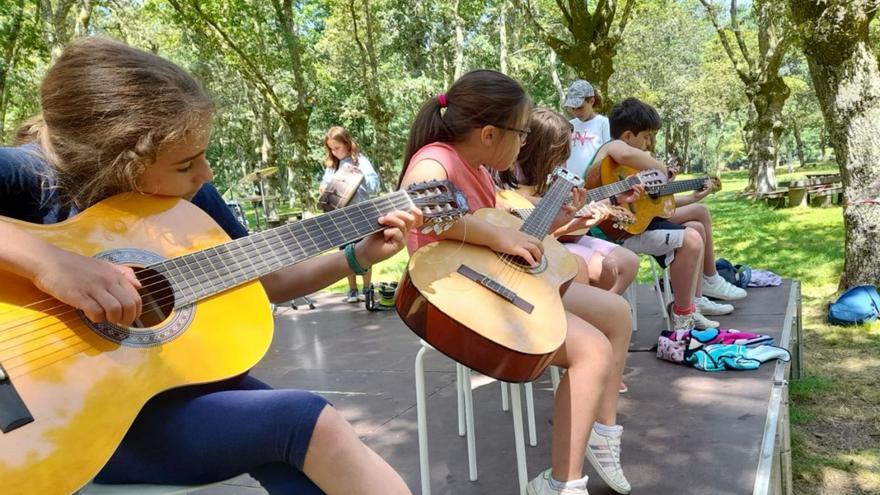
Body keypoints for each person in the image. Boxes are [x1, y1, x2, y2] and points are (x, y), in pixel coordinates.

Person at [0, 36, 420, 495]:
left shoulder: (183, 189)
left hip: (157, 391)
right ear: (117, 164)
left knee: (311, 449)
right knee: (304, 422)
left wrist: (356, 257)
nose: (206, 175)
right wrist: (50, 263)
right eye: (186, 165)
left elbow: (270, 282)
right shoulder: (29, 173)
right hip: (59, 422)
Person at [399, 70, 632, 495]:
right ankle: (562, 484)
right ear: (489, 134)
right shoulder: (437, 158)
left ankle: (602, 430)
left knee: (616, 312)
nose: (525, 143)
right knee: (592, 351)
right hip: (462, 301)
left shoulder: (482, 169)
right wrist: (499, 234)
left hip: (496, 285)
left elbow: (501, 227)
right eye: (521, 134)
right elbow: (420, 201)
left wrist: (556, 222)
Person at [588, 98, 744, 333]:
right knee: (691, 237)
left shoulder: (631, 167)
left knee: (697, 224)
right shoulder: (612, 149)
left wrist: (692, 198)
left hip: (637, 225)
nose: (650, 144)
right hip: (615, 232)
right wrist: (658, 167)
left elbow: (653, 206)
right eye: (647, 136)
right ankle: (684, 318)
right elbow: (628, 156)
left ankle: (691, 303)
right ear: (628, 136)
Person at [319, 126, 382, 303]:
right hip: (341, 217)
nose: (334, 152)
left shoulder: (360, 161)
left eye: (337, 147)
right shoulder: (333, 165)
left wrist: (357, 179)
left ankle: (367, 288)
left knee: (365, 252)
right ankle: (352, 290)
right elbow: (324, 184)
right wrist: (324, 188)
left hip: (361, 215)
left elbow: (374, 186)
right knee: (346, 253)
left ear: (347, 144)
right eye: (331, 148)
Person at [564, 80, 610, 180]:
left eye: (580, 107)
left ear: (591, 101)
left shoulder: (604, 123)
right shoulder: (570, 125)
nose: (576, 112)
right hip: (569, 182)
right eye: (573, 108)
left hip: (594, 181)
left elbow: (608, 153)